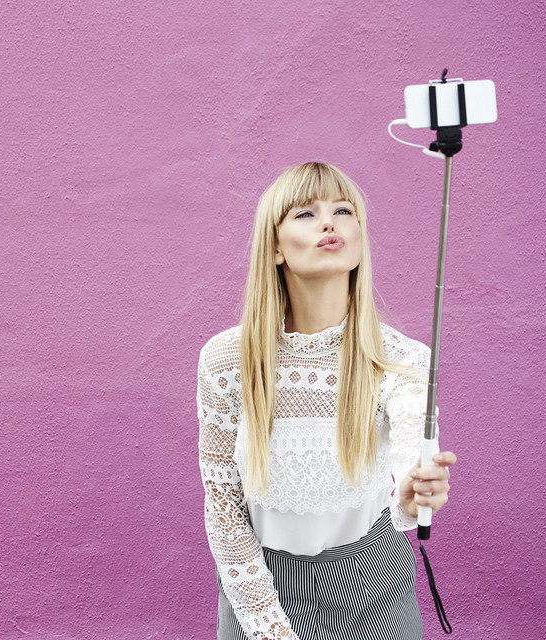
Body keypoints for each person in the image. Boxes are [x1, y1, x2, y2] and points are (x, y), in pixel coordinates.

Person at [196, 161, 457, 640]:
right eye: (305, 213)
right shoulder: (226, 360)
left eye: (343, 209)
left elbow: (411, 444)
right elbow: (222, 505)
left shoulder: (401, 359)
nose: (329, 222)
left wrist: (414, 488)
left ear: (359, 239)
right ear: (275, 247)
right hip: (258, 582)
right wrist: (268, 626)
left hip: (370, 584)